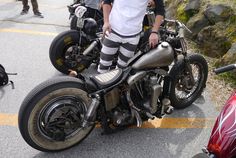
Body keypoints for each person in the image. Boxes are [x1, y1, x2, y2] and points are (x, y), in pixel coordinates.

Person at [97, 0, 165, 73]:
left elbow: (160, 10)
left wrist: (154, 32)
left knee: (122, 70)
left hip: (132, 36)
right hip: (112, 32)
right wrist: (106, 22)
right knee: (103, 67)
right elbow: (107, 2)